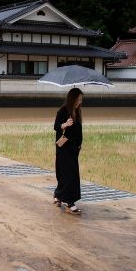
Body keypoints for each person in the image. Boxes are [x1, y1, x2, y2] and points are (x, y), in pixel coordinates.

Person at [53, 87, 83, 215]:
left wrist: (79, 144)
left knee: (69, 174)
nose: (79, 102)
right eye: (77, 99)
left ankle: (58, 195)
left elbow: (78, 131)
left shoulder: (77, 111)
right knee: (69, 175)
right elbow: (56, 127)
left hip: (73, 149)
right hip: (64, 148)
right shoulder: (63, 111)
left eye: (81, 100)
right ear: (72, 99)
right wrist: (65, 124)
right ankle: (68, 201)